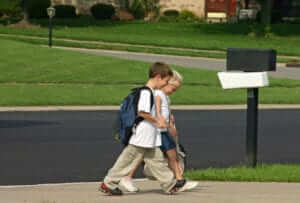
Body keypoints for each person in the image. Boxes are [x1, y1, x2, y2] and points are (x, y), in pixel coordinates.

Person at [99, 62, 189, 195]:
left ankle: (170, 184)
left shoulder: (152, 92)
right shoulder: (146, 92)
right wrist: (158, 120)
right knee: (126, 161)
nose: (165, 84)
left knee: (157, 161)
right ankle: (108, 183)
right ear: (158, 77)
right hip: (142, 136)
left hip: (150, 137)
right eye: (165, 81)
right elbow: (142, 112)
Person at [119, 70, 198, 192]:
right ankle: (177, 180)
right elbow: (156, 111)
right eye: (173, 88)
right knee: (149, 154)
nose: (174, 91)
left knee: (168, 154)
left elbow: (166, 112)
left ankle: (178, 180)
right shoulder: (157, 94)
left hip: (160, 130)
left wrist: (170, 121)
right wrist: (161, 120)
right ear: (165, 83)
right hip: (156, 130)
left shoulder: (164, 96)